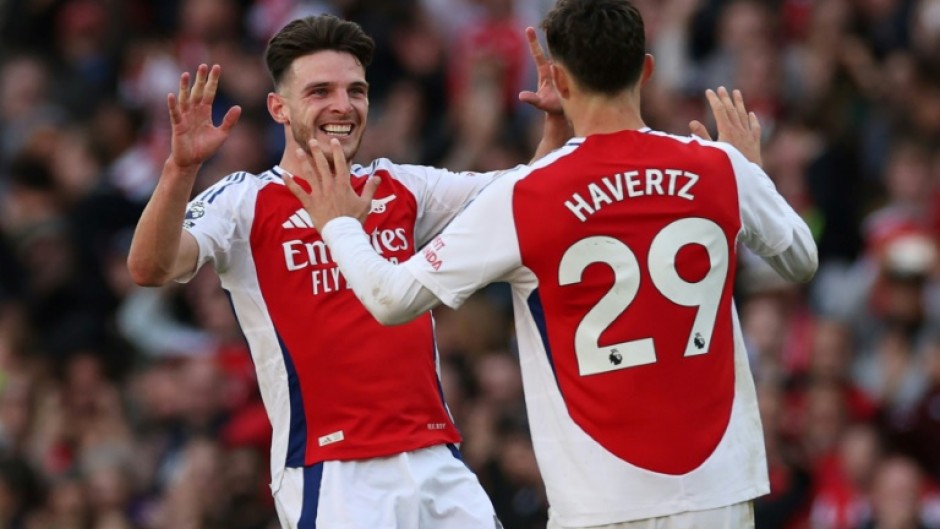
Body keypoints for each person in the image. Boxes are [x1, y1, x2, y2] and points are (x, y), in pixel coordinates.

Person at [287, 0, 819, 528]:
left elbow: (391, 298)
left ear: (558, 82)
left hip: (600, 500)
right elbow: (801, 262)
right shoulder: (721, 166)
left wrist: (338, 223)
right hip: (718, 490)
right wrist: (751, 175)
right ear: (647, 69)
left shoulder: (526, 194)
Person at [126, 14, 569, 529]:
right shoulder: (243, 202)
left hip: (436, 457)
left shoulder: (401, 185)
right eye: (319, 91)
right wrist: (180, 170)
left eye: (355, 90)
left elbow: (527, 199)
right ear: (279, 108)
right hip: (332, 471)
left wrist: (558, 125)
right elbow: (149, 267)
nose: (343, 105)